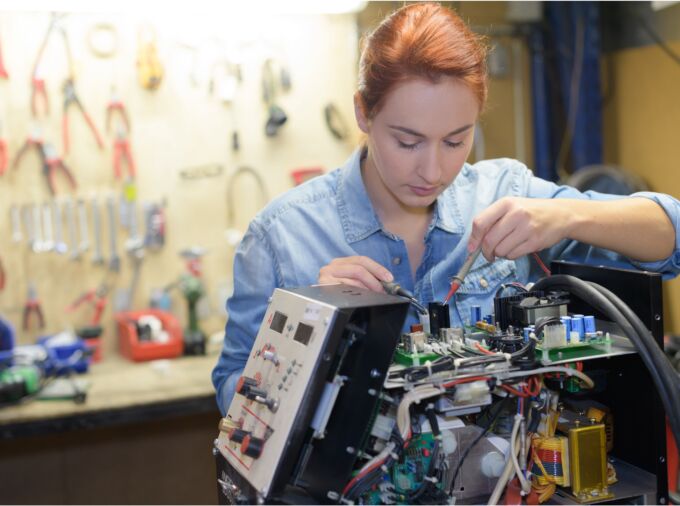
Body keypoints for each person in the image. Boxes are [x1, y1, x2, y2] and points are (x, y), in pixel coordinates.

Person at [212, 2, 680, 415]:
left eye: (456, 140)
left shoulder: (504, 191)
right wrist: (310, 323)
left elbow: (672, 233)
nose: (433, 171)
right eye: (407, 141)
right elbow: (234, 395)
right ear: (362, 113)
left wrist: (565, 215)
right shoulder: (281, 236)